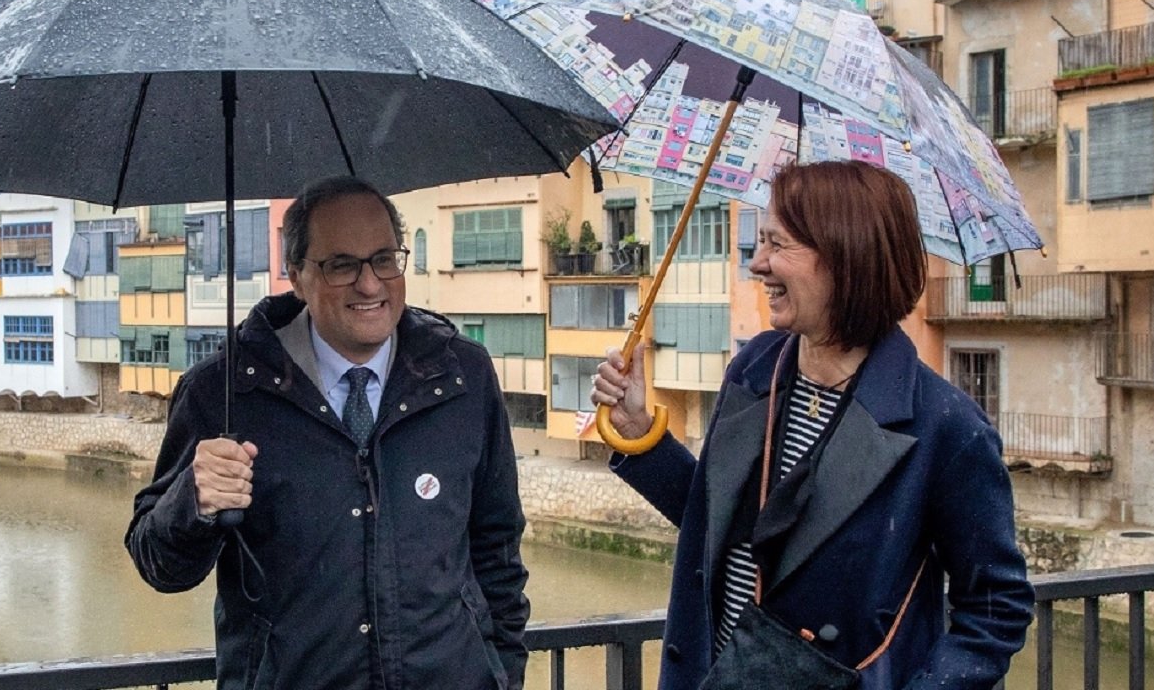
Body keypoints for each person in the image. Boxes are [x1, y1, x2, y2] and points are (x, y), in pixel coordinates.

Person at [591, 160, 1032, 689]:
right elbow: (722, 523)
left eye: (778, 244)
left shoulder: (945, 428)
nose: (758, 264)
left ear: (847, 256)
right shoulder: (754, 369)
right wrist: (641, 435)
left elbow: (995, 610)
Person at [126, 175, 530, 690]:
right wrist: (194, 504)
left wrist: (503, 676)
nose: (370, 284)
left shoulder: (462, 376)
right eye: (342, 265)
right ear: (295, 275)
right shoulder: (223, 393)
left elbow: (498, 549)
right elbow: (159, 566)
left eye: (385, 258)